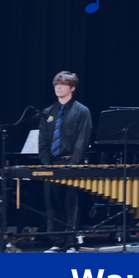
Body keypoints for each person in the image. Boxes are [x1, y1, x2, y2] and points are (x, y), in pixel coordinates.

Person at [37, 71, 92, 252]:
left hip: (71, 163)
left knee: (71, 206)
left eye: (62, 84)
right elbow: (43, 141)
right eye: (56, 84)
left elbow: (82, 141)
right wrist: (46, 164)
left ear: (72, 88)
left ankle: (71, 243)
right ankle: (57, 241)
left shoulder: (82, 111)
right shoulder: (47, 112)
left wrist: (73, 164)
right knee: (52, 205)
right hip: (51, 163)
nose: (58, 87)